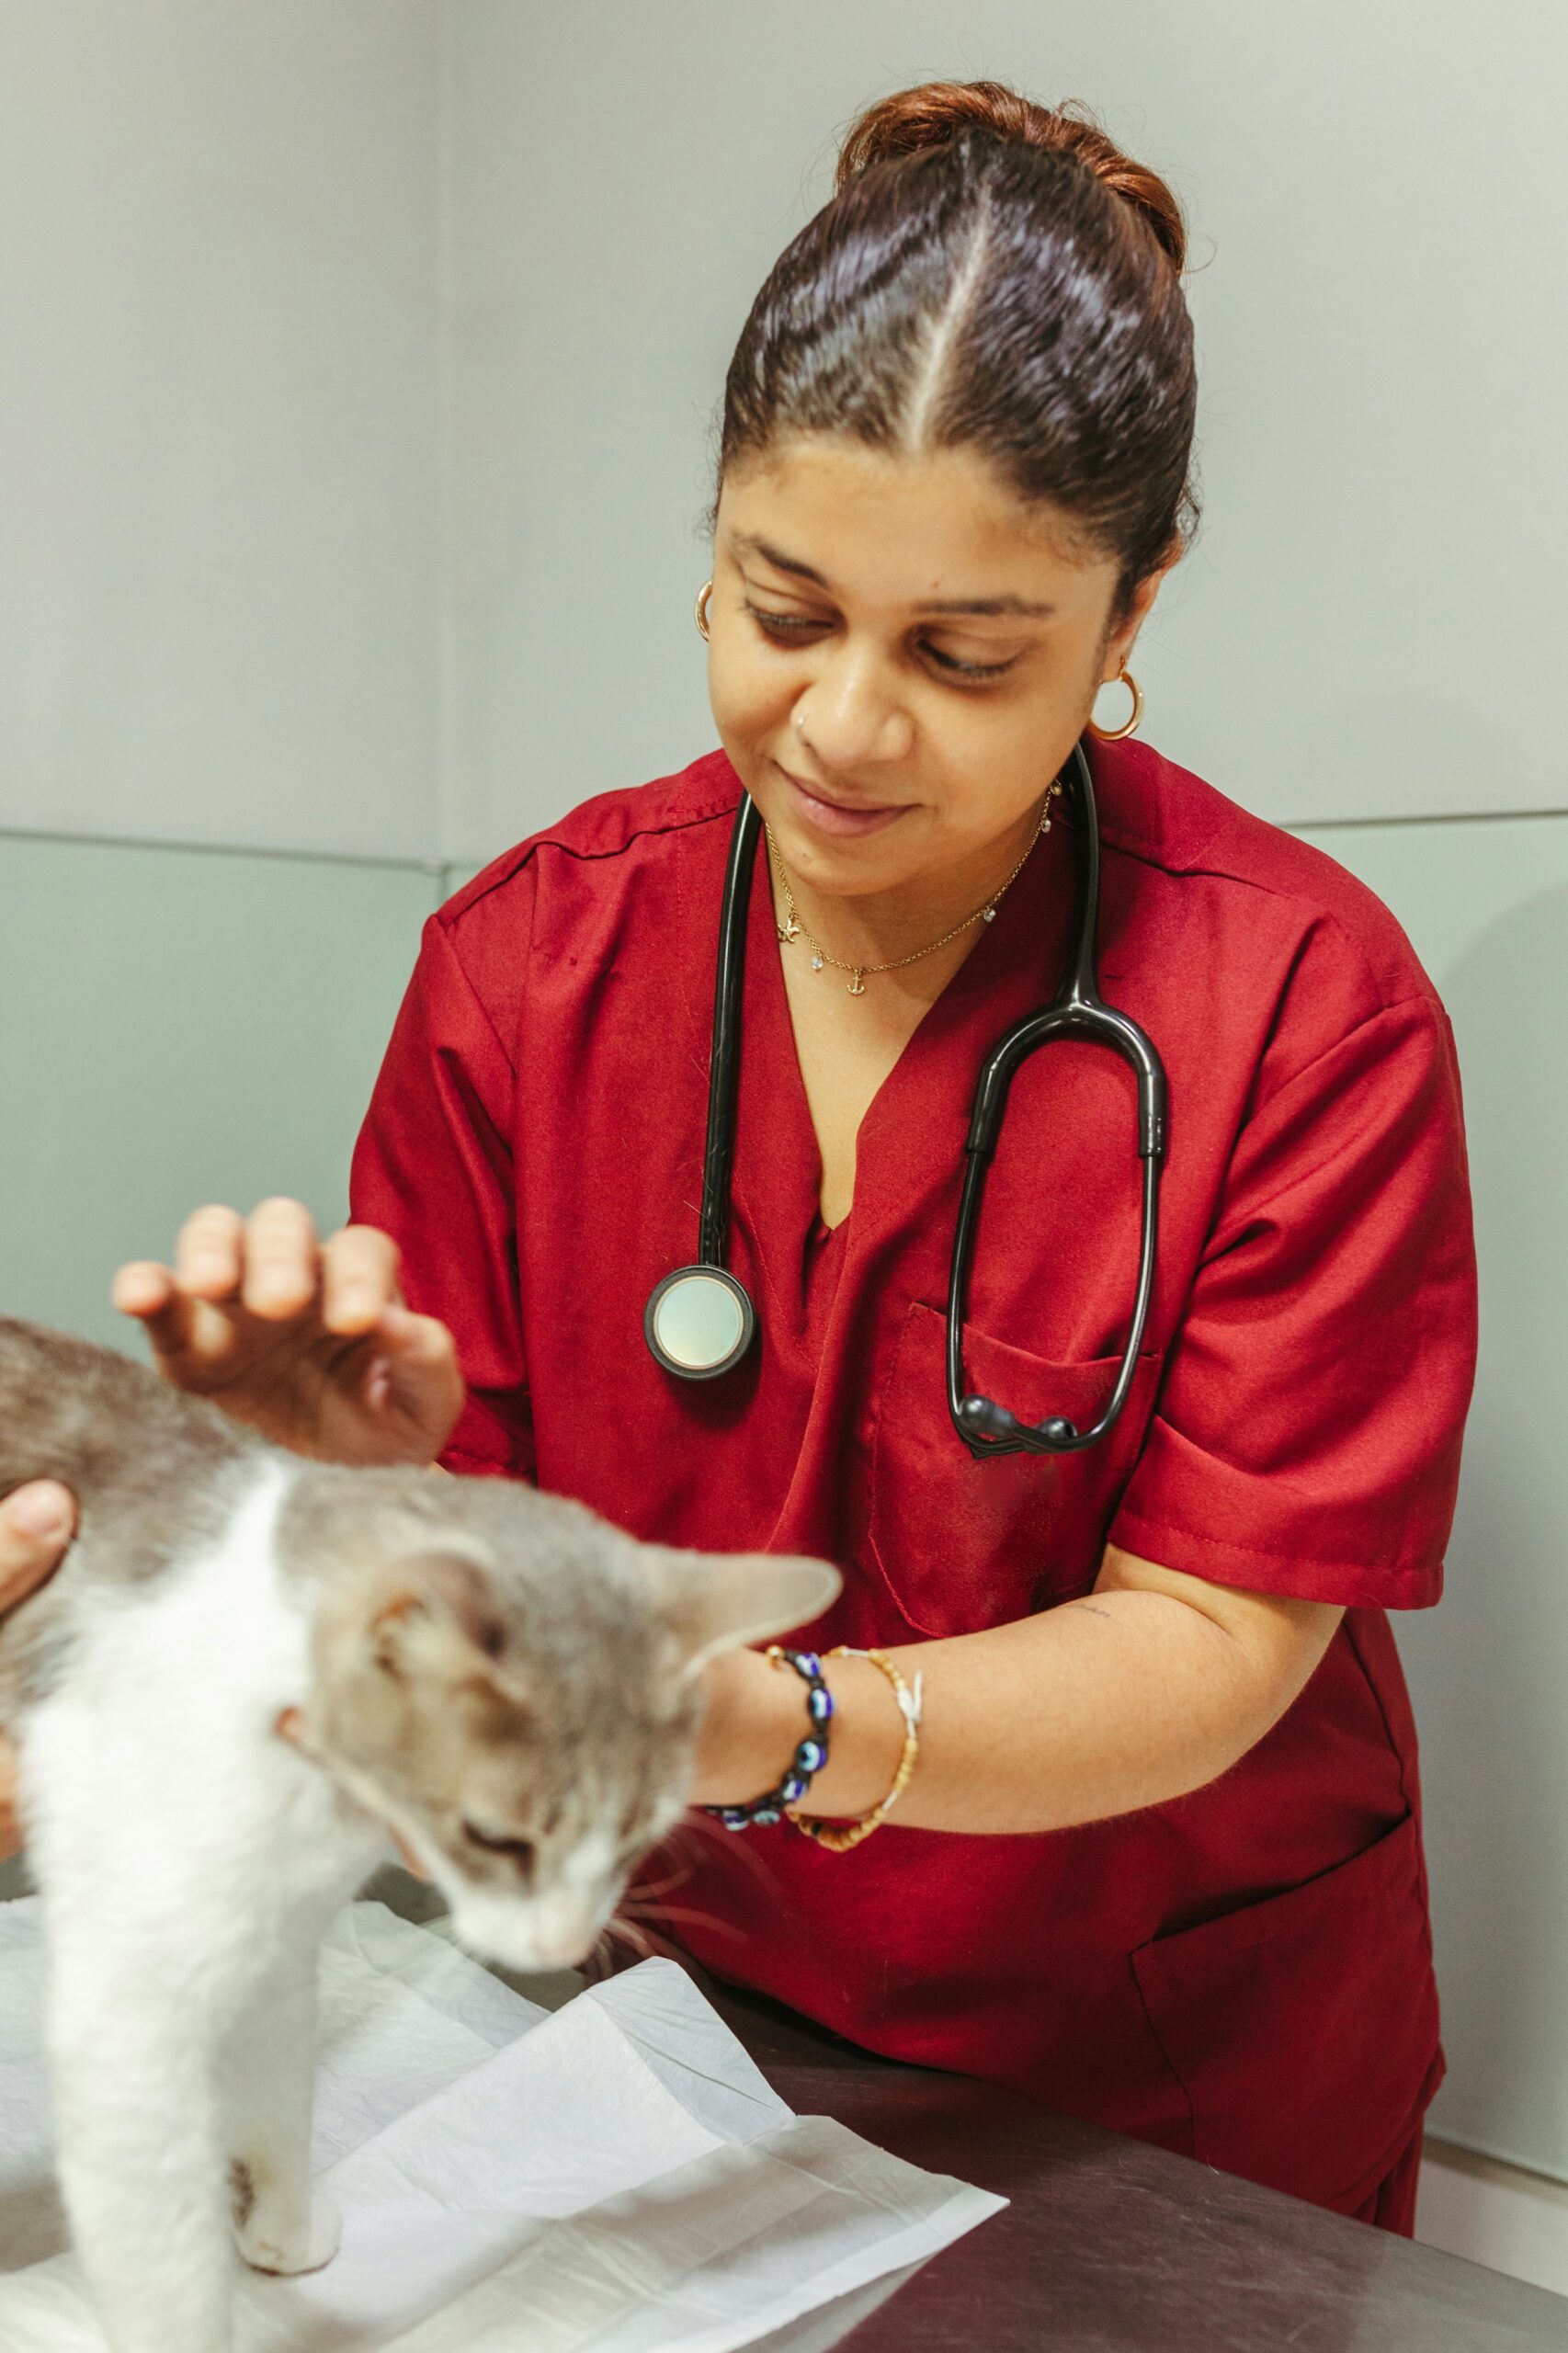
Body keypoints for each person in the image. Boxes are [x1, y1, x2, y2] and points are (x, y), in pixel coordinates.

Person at [0, 79, 1476, 2235]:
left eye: (968, 655)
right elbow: (459, 1590)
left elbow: (1210, 1644)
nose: (847, 725)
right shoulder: (525, 966)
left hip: (1169, 2087)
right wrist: (329, 1497)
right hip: (662, 2025)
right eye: (783, 606)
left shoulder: (1304, 1009)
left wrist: (755, 1725)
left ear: (1132, 610)